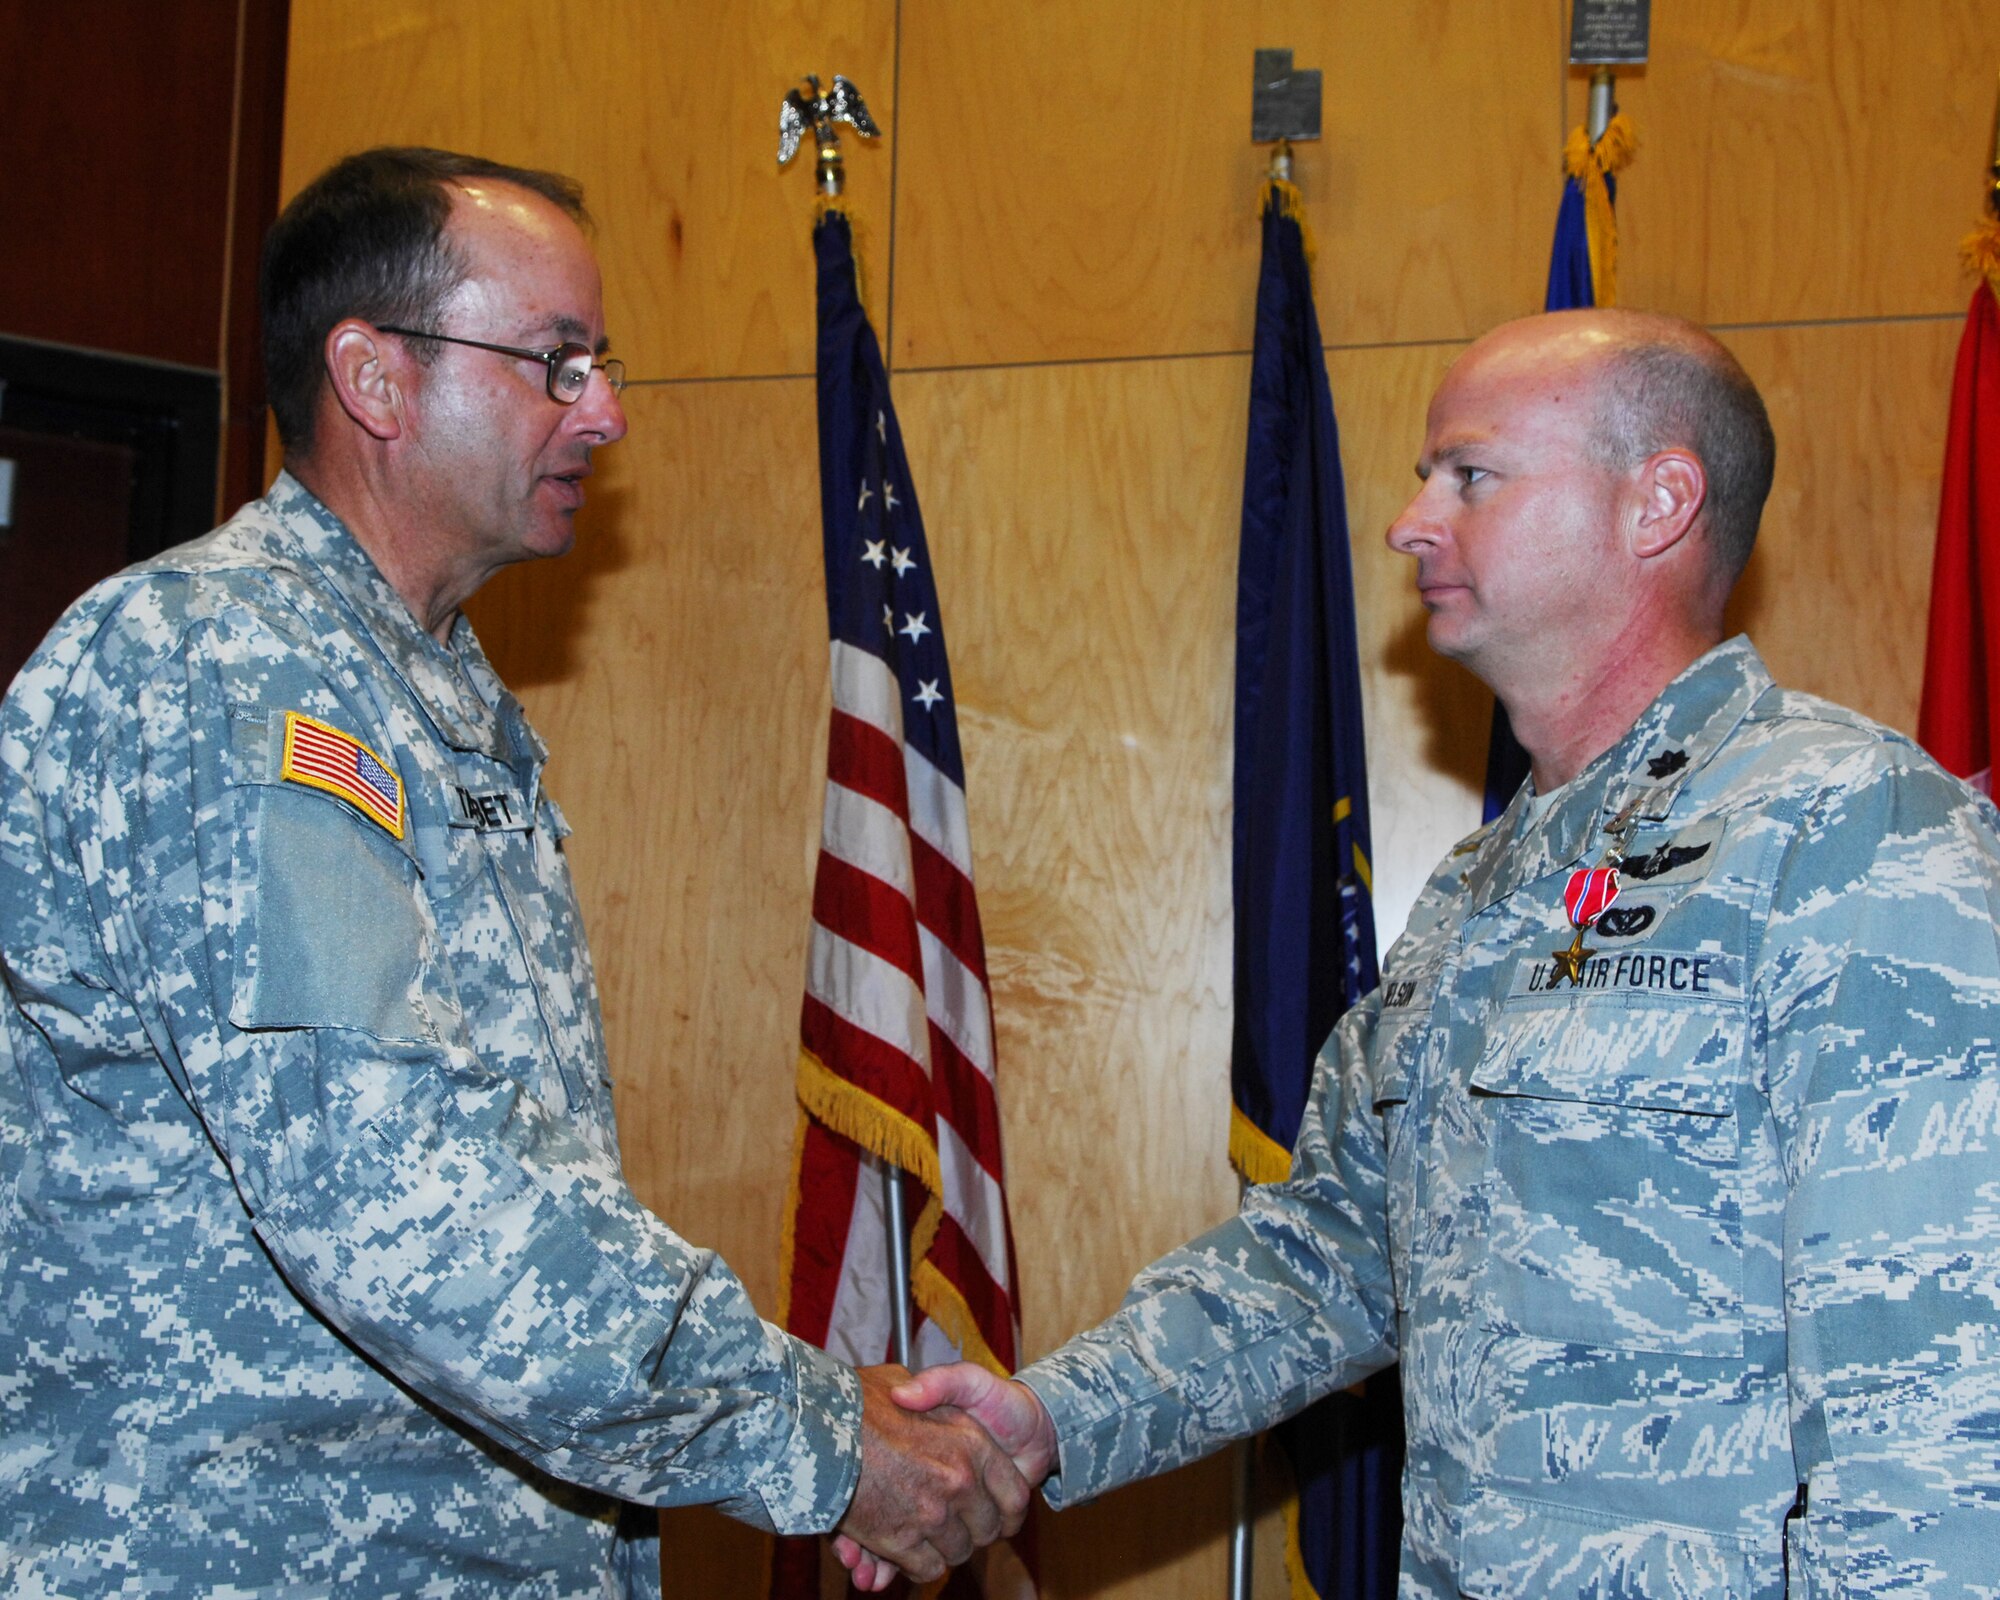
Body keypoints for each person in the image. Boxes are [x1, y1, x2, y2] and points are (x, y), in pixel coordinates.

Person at [0, 146, 1024, 1596]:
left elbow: (522, 1181)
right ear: (375, 379)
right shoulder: (228, 674)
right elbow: (396, 1195)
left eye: (600, 362)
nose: (605, 412)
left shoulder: (431, 694)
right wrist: (812, 1434)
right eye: (555, 362)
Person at [855, 309, 2000, 1596]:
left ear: (1658, 502)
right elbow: (1332, 1250)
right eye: (1421, 478)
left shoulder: (1850, 834)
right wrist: (1054, 1415)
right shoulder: (1478, 893)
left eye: (1469, 475)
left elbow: (1942, 1403)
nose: (1410, 522)